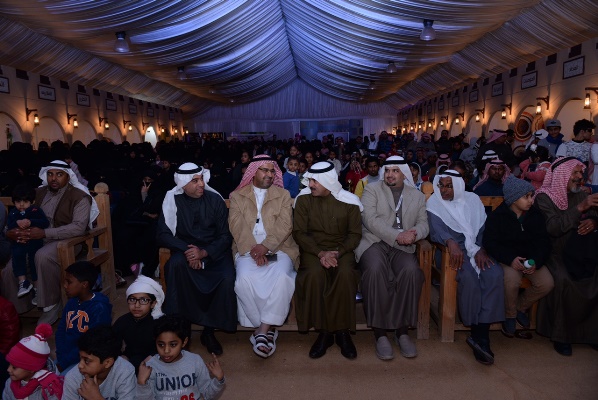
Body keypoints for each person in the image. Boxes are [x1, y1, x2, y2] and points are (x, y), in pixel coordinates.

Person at [0, 160, 98, 325]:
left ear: (68, 176)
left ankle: (50, 305)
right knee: (10, 268)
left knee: (42, 256)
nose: (54, 178)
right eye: (50, 174)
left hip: (68, 241)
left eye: (59, 175)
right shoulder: (37, 193)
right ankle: (17, 310)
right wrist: (10, 232)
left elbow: (78, 227)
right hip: (34, 240)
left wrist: (44, 233)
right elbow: (16, 215)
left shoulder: (79, 196)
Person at [157, 163, 236, 356]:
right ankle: (179, 328)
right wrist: (189, 251)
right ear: (183, 184)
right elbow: (163, 234)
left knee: (226, 277)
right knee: (174, 266)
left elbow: (225, 236)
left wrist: (204, 253)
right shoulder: (172, 201)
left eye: (201, 179)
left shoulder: (215, 200)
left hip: (214, 252)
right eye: (195, 181)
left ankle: (209, 331)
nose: (201, 184)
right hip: (184, 251)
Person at [427, 170, 504, 365]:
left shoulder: (473, 200)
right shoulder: (434, 202)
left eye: (449, 186)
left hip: (477, 249)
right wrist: (450, 241)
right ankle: (480, 336)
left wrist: (481, 249)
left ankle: (481, 332)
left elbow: (484, 230)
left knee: (494, 274)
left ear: (459, 186)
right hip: (450, 252)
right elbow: (436, 230)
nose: (443, 190)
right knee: (468, 278)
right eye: (441, 185)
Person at [356, 156, 428, 360]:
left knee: (411, 271)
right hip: (374, 241)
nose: (390, 174)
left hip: (403, 245)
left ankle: (402, 331)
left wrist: (414, 234)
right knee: (375, 270)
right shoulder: (372, 190)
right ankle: (379, 333)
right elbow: (369, 219)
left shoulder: (417, 196)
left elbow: (424, 223)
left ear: (404, 173)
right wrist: (397, 235)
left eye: (395, 171)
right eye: (387, 170)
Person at [229, 155, 299, 358]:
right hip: (246, 249)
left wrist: (266, 247)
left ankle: (261, 331)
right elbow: (236, 225)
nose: (269, 174)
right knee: (244, 278)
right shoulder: (238, 196)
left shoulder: (283, 195)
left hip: (279, 248)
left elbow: (285, 225)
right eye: (265, 170)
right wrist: (254, 249)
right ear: (253, 172)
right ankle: (267, 329)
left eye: (272, 171)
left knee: (282, 277)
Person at [292, 161, 363, 359]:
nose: (310, 184)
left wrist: (337, 252)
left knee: (345, 274)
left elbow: (355, 234)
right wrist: (321, 253)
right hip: (313, 250)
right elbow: (300, 233)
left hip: (342, 250)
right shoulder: (303, 200)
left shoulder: (350, 201)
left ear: (328, 181)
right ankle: (324, 332)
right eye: (310, 180)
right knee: (314, 275)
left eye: (315, 181)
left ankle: (342, 332)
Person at [533, 157, 598, 356]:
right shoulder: (544, 198)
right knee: (563, 279)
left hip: (581, 250)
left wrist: (594, 222)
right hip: (553, 252)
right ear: (562, 175)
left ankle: (591, 334)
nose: (580, 177)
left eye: (581, 172)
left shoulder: (581, 194)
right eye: (575, 173)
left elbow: (595, 215)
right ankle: (562, 336)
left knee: (594, 276)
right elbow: (553, 228)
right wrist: (580, 208)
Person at [483, 176, 554, 339]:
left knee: (546, 283)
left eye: (531, 196)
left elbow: (543, 242)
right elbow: (491, 243)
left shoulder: (535, 215)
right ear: (514, 199)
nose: (531, 200)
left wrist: (536, 260)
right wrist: (510, 259)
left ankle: (519, 308)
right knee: (512, 280)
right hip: (508, 260)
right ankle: (509, 315)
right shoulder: (498, 216)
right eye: (526, 197)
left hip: (531, 259)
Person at [136, 315, 225, 400]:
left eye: (173, 345)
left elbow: (208, 395)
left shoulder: (195, 361)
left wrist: (219, 379)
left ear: (184, 342)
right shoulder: (150, 367)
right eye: (161, 345)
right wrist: (142, 383)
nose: (166, 350)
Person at [56, 261, 112, 374]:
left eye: (69, 282)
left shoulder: (99, 308)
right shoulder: (71, 302)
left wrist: (63, 363)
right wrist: (61, 355)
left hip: (85, 359)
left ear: (84, 284)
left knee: (63, 381)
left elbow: (92, 343)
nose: (65, 286)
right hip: (65, 356)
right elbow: (61, 330)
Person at [63, 326, 136, 400]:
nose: (80, 365)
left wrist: (96, 398)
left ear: (107, 362)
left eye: (87, 361)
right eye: (80, 358)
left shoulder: (125, 371)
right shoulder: (73, 378)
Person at [112, 276, 165, 373]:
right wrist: (121, 357)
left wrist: (154, 356)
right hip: (130, 359)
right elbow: (112, 344)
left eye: (143, 300)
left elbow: (167, 347)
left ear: (153, 303)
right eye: (132, 300)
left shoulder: (160, 323)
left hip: (155, 359)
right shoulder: (122, 321)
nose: (137, 305)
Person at [7, 183, 50, 298]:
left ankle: (36, 288)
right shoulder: (13, 213)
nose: (21, 205)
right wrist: (16, 222)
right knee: (16, 256)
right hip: (19, 242)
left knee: (34, 261)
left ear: (32, 201)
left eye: (25, 201)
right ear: (14, 202)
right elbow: (9, 226)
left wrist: (31, 222)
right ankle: (23, 282)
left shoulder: (36, 210)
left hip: (35, 242)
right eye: (18, 201)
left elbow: (45, 223)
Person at [3, 324, 63, 400]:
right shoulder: (10, 383)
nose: (8, 369)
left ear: (31, 369)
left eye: (14, 367)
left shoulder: (49, 388)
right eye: (10, 365)